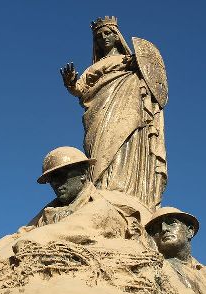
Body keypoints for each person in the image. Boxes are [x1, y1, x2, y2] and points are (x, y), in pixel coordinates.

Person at [0, 147, 151, 294]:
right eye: (52, 180)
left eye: (62, 176)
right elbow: (21, 233)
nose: (57, 184)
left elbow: (55, 233)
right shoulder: (52, 208)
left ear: (82, 174)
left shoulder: (100, 207)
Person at [60, 16, 167, 211]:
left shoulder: (132, 63)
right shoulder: (93, 68)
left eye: (107, 33)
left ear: (117, 36)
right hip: (98, 114)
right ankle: (101, 190)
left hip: (127, 110)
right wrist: (71, 83)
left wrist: (139, 67)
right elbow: (80, 89)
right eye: (99, 36)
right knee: (99, 152)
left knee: (125, 144)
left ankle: (123, 191)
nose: (104, 39)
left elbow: (152, 86)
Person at [145, 207, 206, 294]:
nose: (164, 229)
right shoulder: (154, 268)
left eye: (172, 223)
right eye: (156, 228)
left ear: (190, 231)